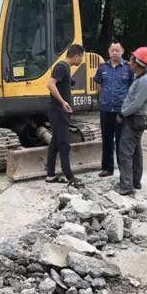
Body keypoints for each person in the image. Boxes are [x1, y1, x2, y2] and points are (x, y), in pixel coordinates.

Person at [115, 46, 147, 196]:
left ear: (138, 63)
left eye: (131, 60)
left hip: (134, 120)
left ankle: (126, 186)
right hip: (135, 120)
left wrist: (122, 114)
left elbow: (136, 104)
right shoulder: (141, 78)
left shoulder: (144, 81)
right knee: (136, 152)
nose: (129, 63)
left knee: (125, 153)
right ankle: (135, 182)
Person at [45, 44, 85, 188]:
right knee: (64, 144)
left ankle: (50, 175)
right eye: (82, 57)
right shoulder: (62, 66)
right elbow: (50, 85)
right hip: (58, 111)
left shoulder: (65, 68)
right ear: (77, 55)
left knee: (55, 143)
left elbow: (62, 83)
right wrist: (63, 102)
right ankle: (70, 177)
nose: (82, 60)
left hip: (58, 111)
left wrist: (70, 83)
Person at [93, 43, 134, 177]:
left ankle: (124, 171)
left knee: (122, 141)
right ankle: (107, 168)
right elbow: (99, 86)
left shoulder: (128, 68)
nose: (115, 52)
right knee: (107, 140)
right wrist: (100, 101)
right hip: (105, 110)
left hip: (121, 111)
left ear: (122, 52)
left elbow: (132, 89)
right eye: (112, 50)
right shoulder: (102, 68)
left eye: (117, 50)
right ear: (109, 52)